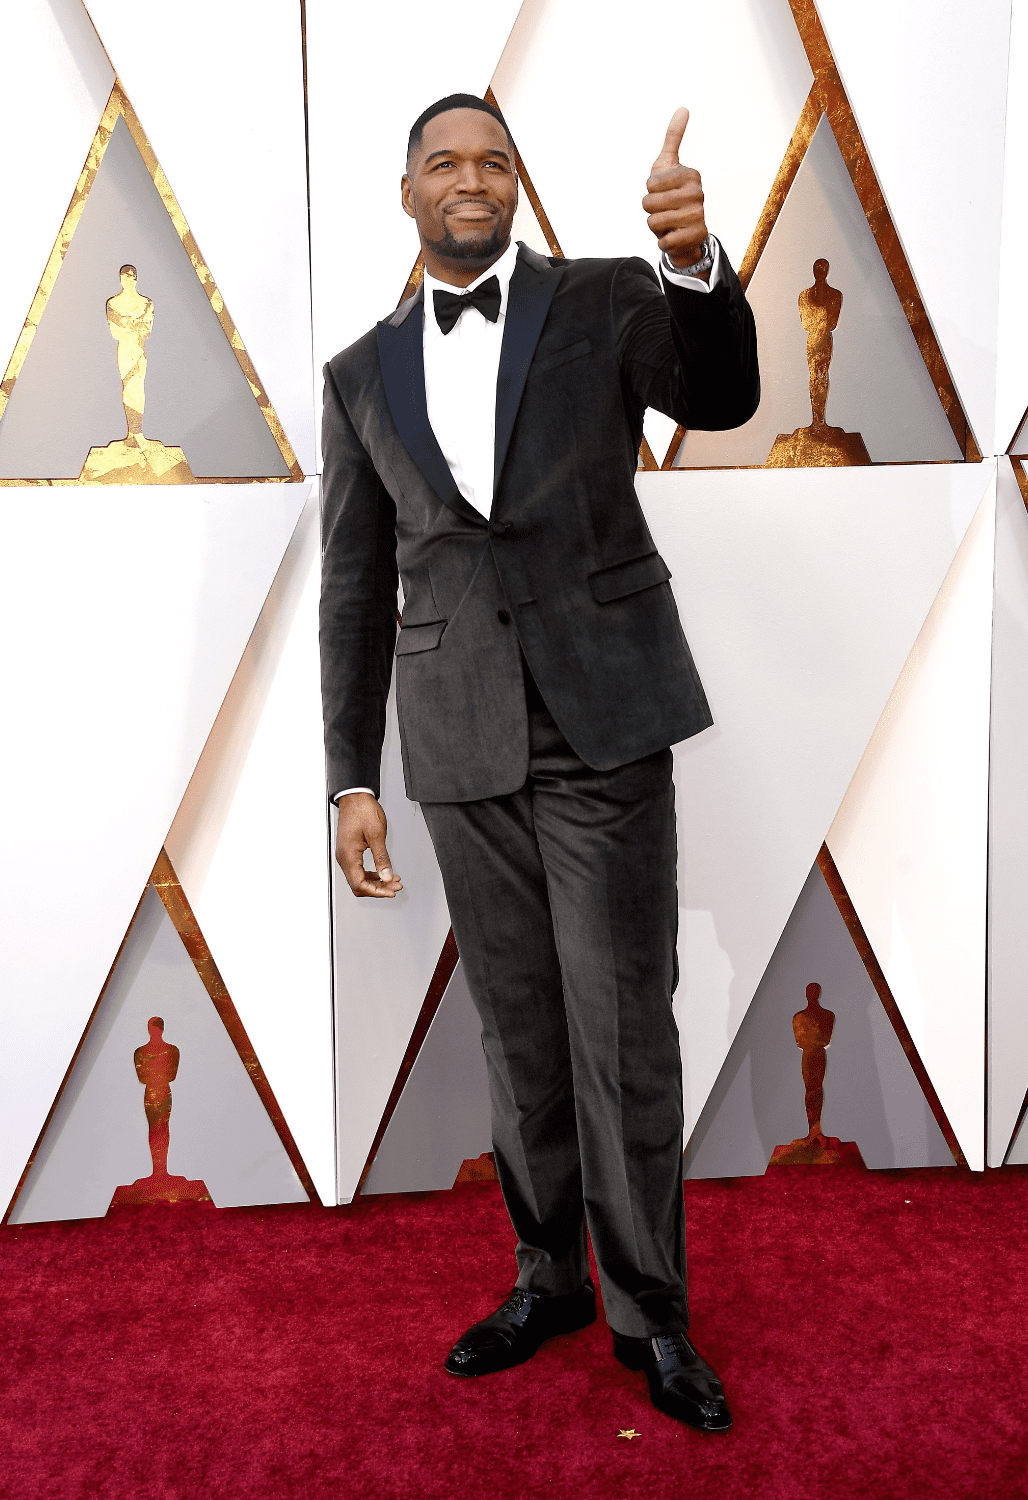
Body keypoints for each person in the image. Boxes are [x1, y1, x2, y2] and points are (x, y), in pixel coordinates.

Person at [320, 93, 759, 1432]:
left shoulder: (608, 298)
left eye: (492, 160)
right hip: (459, 739)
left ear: (517, 183)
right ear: (407, 194)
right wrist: (350, 779)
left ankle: (652, 1314)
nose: (470, 179)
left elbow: (723, 395)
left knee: (625, 1022)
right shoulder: (357, 375)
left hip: (602, 714)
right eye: (443, 163)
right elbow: (352, 586)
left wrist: (696, 264)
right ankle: (547, 1276)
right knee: (519, 1033)